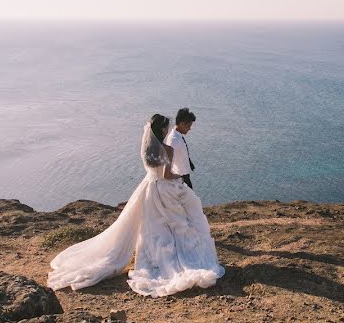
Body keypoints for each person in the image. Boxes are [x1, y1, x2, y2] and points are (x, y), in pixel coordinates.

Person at [47, 114, 224, 296]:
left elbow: (154, 173)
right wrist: (179, 176)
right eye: (166, 127)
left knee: (152, 226)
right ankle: (171, 259)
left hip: (148, 188)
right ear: (162, 130)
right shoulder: (167, 149)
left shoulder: (148, 151)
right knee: (173, 223)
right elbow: (166, 175)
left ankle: (152, 258)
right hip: (164, 190)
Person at [164, 107, 195, 189]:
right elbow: (168, 162)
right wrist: (178, 178)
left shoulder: (177, 137)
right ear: (182, 124)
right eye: (188, 126)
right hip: (180, 179)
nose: (189, 129)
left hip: (184, 177)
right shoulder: (174, 140)